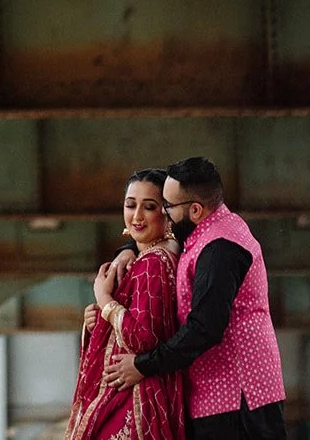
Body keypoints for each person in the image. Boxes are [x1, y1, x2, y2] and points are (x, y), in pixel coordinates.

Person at [100, 156, 287, 439]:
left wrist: (142, 365)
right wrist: (129, 248)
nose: (163, 214)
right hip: (221, 398)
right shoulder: (207, 228)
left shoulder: (219, 249)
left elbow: (205, 328)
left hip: (237, 401)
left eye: (167, 207)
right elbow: (162, 236)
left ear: (196, 209)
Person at [63, 168, 186, 440]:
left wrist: (105, 301)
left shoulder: (153, 263)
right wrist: (98, 321)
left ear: (166, 213)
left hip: (133, 398)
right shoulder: (154, 258)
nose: (137, 215)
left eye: (149, 206)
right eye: (131, 205)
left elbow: (144, 340)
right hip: (138, 391)